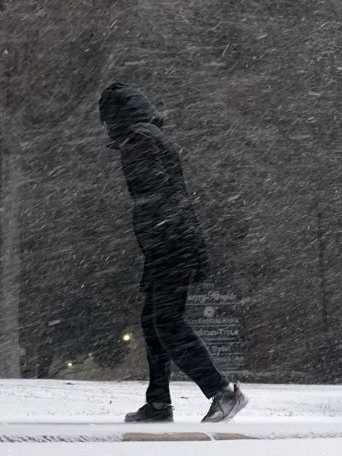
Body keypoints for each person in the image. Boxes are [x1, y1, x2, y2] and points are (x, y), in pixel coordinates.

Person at [98, 82, 247, 424]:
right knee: (153, 323)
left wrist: (161, 240)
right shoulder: (149, 136)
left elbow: (156, 197)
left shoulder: (138, 141)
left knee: (166, 321)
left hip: (169, 243)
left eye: (107, 120)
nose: (107, 129)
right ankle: (158, 404)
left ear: (117, 116)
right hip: (170, 242)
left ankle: (223, 392)